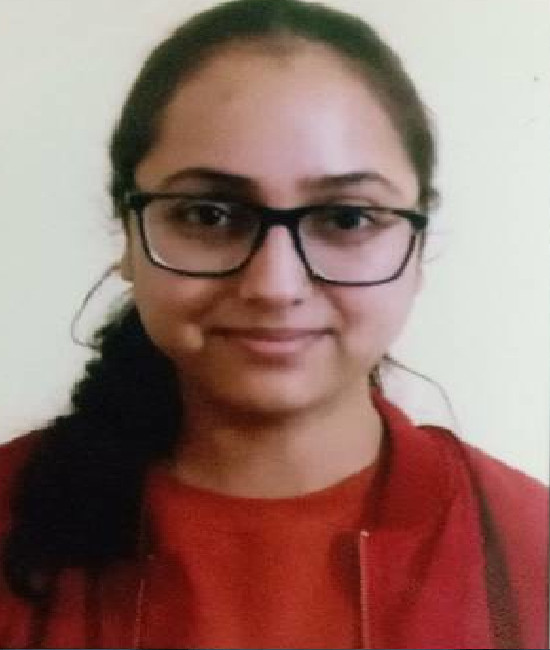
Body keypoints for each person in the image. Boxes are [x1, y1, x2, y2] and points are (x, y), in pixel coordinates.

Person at [0, 0, 547, 648]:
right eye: (208, 214)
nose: (275, 286)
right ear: (128, 231)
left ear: (418, 245)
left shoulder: (530, 551)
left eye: (345, 218)